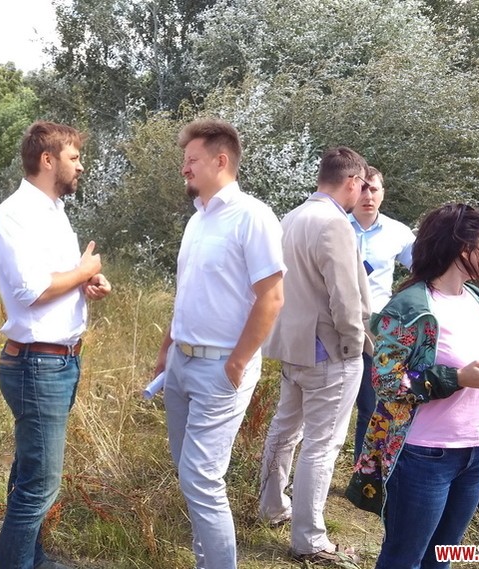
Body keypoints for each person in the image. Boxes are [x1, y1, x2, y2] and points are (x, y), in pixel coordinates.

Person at [346, 204, 479, 569]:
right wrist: (456, 379)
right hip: (424, 457)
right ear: (461, 249)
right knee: (404, 559)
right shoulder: (409, 308)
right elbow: (386, 381)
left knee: (442, 559)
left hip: (475, 454)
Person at [153, 118, 285, 569]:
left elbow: (272, 297)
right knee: (189, 474)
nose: (184, 168)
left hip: (221, 368)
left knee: (202, 478)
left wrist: (238, 362)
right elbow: (187, 293)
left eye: (191, 160)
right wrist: (166, 350)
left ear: (221, 160)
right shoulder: (198, 220)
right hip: (181, 362)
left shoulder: (252, 216)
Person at [0, 120, 112, 569]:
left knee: (30, 473)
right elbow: (30, 290)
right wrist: (82, 271)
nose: (81, 166)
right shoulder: (16, 214)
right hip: (36, 365)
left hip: (56, 363)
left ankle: (32, 558)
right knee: (40, 484)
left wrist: (87, 282)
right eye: (74, 157)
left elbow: (55, 279)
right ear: (47, 160)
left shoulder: (53, 210)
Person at [258, 147, 372, 565]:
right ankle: (308, 538)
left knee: (284, 430)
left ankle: (272, 506)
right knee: (321, 445)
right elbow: (345, 297)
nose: (363, 192)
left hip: (292, 347)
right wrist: (355, 344)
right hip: (329, 351)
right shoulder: (334, 223)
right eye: (363, 184)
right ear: (351, 181)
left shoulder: (290, 218)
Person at [349, 166, 415, 463]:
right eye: (362, 189)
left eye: (373, 189)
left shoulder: (397, 232)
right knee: (325, 404)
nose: (368, 196)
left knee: (370, 404)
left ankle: (361, 472)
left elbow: (424, 271)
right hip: (333, 324)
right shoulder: (335, 225)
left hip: (374, 329)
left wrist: (404, 306)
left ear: (383, 193)